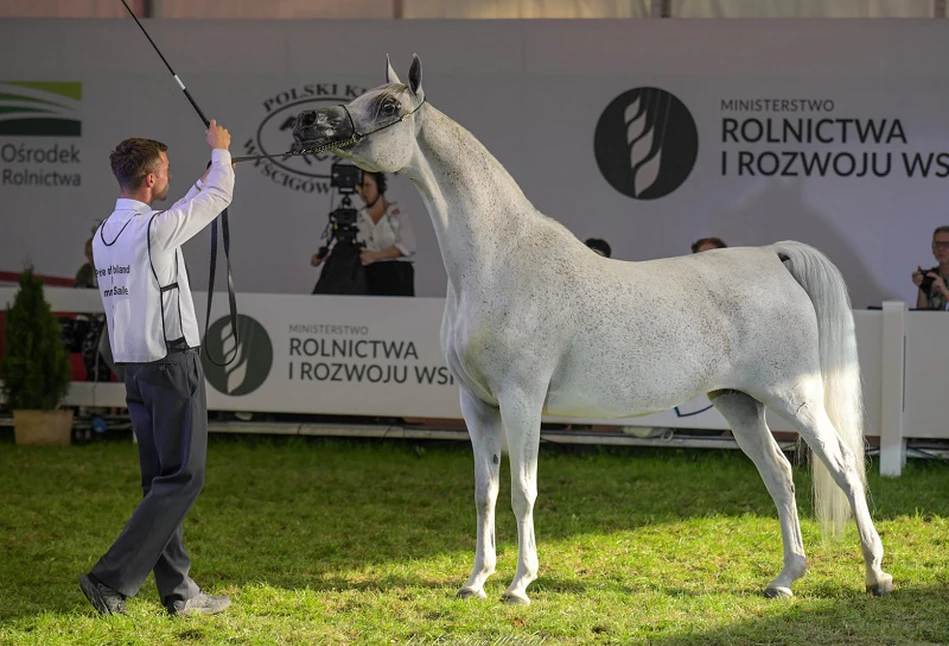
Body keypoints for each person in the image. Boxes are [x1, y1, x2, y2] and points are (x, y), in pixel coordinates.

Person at [80, 121, 235, 617]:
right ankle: (109, 579)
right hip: (172, 366)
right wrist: (221, 154)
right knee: (184, 476)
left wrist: (212, 168)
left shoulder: (106, 234)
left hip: (136, 370)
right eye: (165, 170)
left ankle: (179, 593)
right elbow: (214, 200)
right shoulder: (154, 229)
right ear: (149, 179)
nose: (169, 176)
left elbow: (184, 210)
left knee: (160, 482)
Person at [311, 170, 416, 296]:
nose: (363, 191)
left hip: (395, 276)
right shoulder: (357, 217)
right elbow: (347, 247)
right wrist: (324, 256)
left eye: (367, 185)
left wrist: (375, 255)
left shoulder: (397, 213)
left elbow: (408, 247)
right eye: (359, 187)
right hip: (366, 278)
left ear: (380, 186)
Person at [912, 226, 949, 310]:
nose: (941, 248)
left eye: (946, 244)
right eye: (937, 244)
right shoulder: (931, 276)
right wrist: (922, 286)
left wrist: (945, 291)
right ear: (933, 249)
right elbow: (922, 315)